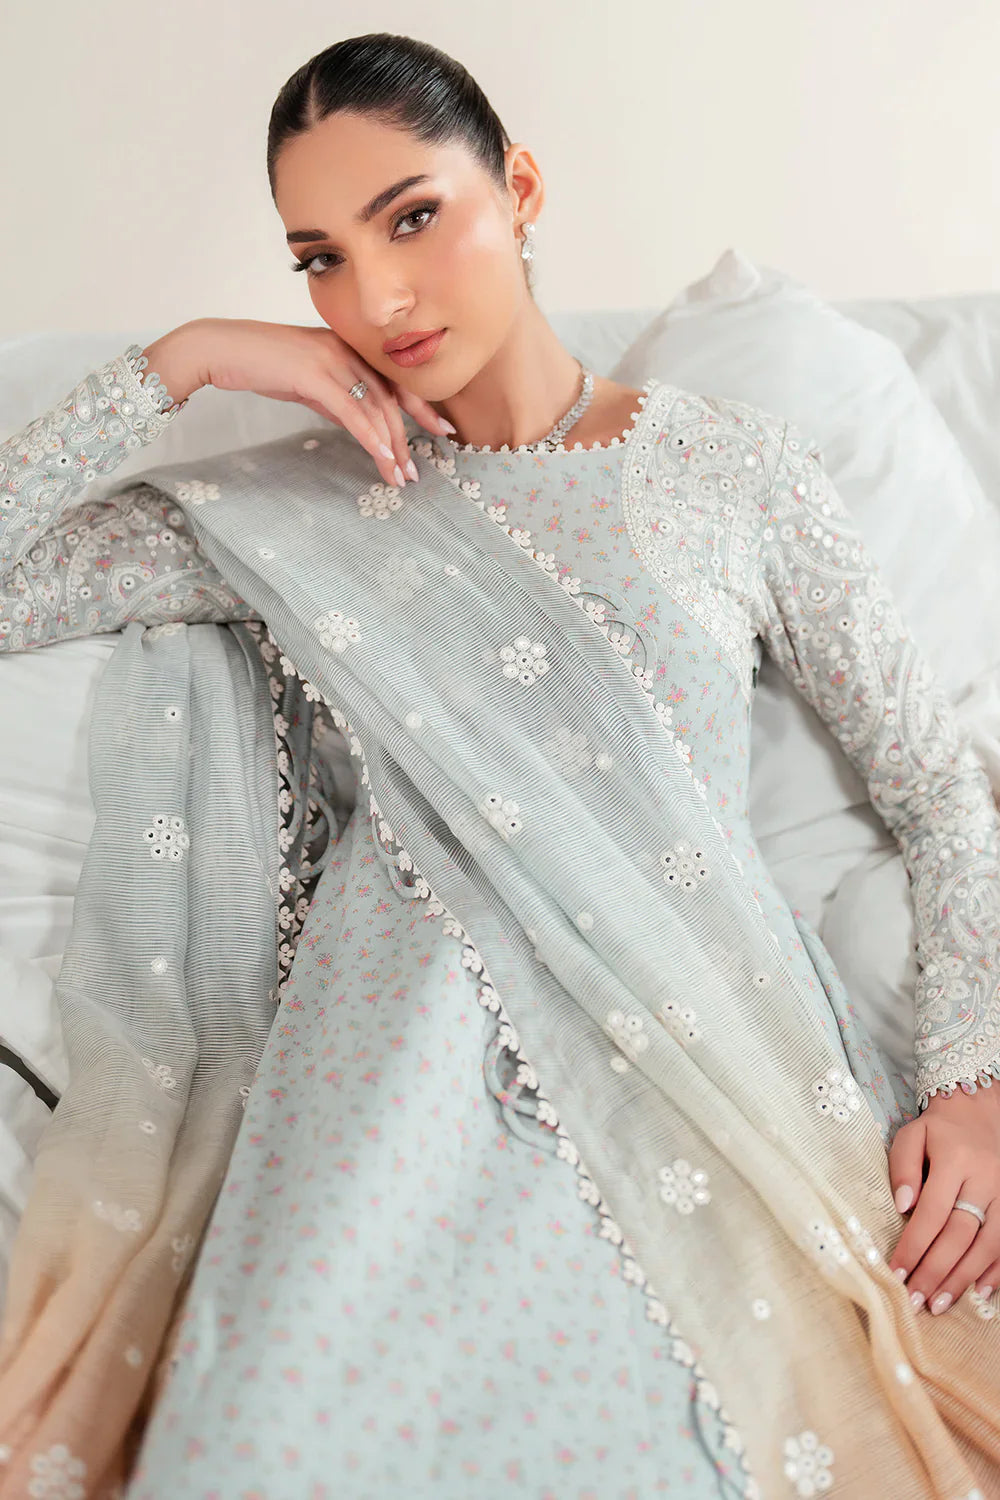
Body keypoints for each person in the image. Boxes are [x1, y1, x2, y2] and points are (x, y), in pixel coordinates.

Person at [1, 29, 999, 1500]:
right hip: (374, 1092)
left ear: (519, 188)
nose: (379, 298)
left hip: (697, 1063)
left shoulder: (730, 473)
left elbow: (936, 787)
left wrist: (972, 1080)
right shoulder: (290, 509)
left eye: (412, 217)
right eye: (322, 261)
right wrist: (189, 360)